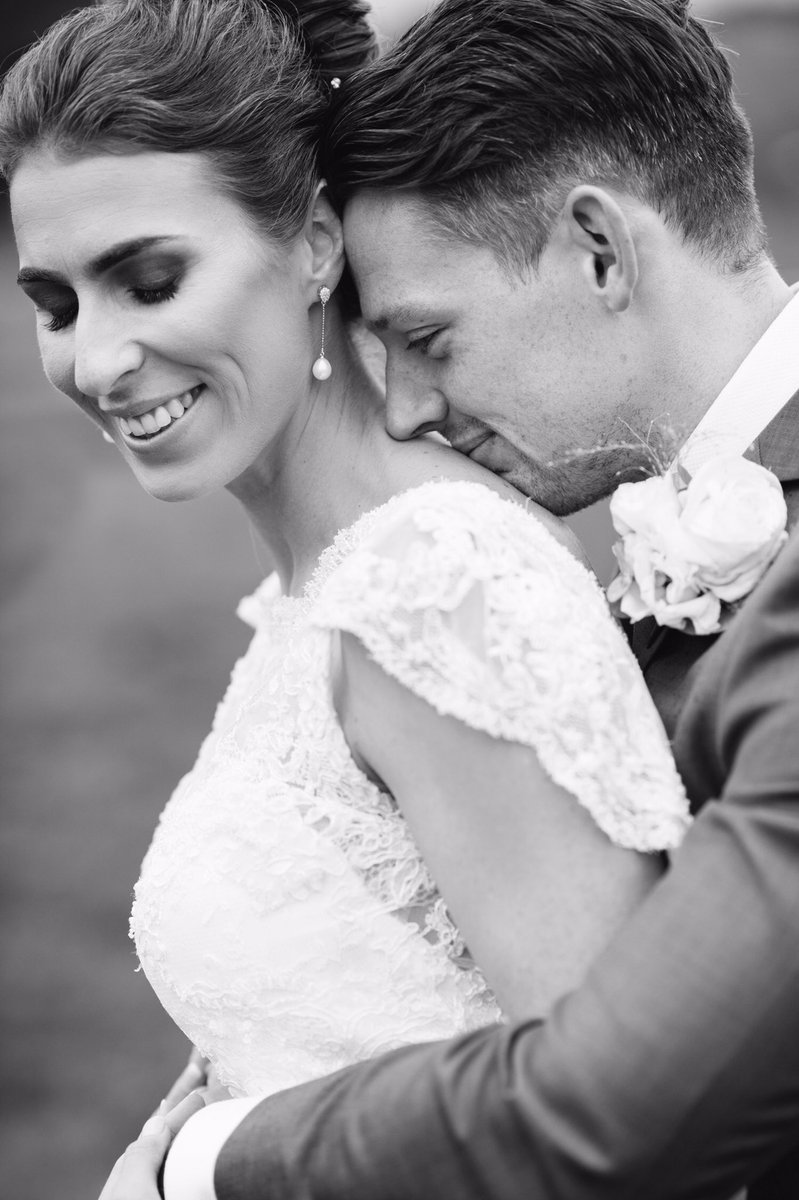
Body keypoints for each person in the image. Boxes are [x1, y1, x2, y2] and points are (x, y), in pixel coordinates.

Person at [0, 1, 697, 1197]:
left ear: (315, 243)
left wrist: (210, 1167)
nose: (96, 360)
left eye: (150, 279)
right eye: (55, 304)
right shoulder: (316, 593)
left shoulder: (429, 583)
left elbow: (631, 1140)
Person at [142, 1, 798, 1198]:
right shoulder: (679, 556)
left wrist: (213, 1155)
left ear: (599, 250)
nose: (407, 412)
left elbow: (633, 1112)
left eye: (429, 338)